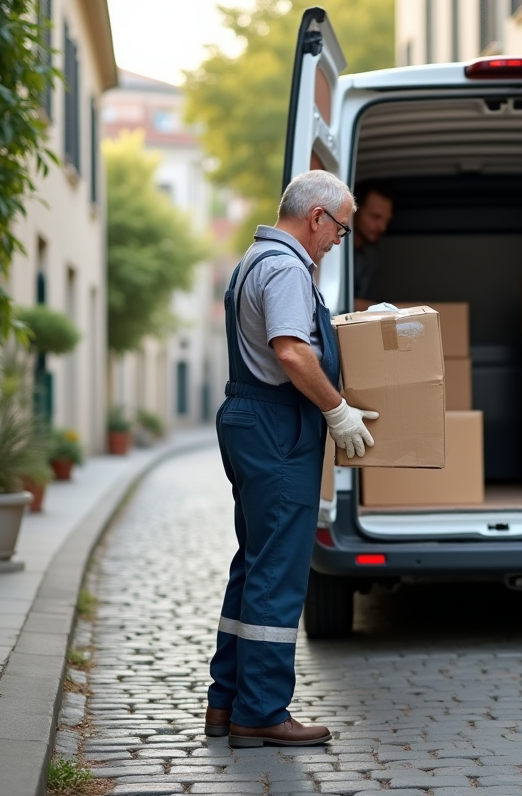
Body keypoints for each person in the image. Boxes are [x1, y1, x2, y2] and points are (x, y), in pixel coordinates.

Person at [204, 170, 379, 748]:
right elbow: (291, 351)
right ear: (316, 217)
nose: (338, 241)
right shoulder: (283, 267)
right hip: (277, 424)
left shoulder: (255, 259)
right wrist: (338, 410)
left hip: (255, 420)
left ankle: (226, 703)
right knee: (277, 571)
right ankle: (261, 712)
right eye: (341, 230)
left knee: (254, 564)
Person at [351, 181, 394, 311]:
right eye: (375, 217)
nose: (382, 227)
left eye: (386, 221)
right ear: (355, 210)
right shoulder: (333, 252)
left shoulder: (371, 258)